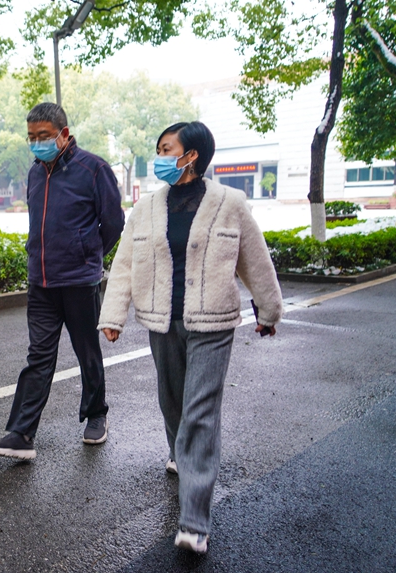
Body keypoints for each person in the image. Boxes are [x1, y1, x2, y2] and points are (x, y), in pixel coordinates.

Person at [97, 121, 284, 554]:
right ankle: (180, 454)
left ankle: (195, 521)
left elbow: (254, 259)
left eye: (167, 149)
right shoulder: (147, 207)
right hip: (163, 321)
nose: (160, 157)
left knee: (200, 413)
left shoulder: (229, 203)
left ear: (191, 154)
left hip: (212, 322)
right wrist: (113, 315)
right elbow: (125, 264)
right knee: (172, 402)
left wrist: (269, 309)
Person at [0, 102, 124, 460]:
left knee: (87, 352)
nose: (36, 143)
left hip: (79, 281)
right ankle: (21, 434)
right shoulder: (34, 173)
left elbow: (114, 222)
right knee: (38, 357)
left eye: (43, 136)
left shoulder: (94, 169)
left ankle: (96, 413)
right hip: (41, 283)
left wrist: (89, 254)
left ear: (64, 134)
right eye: (31, 137)